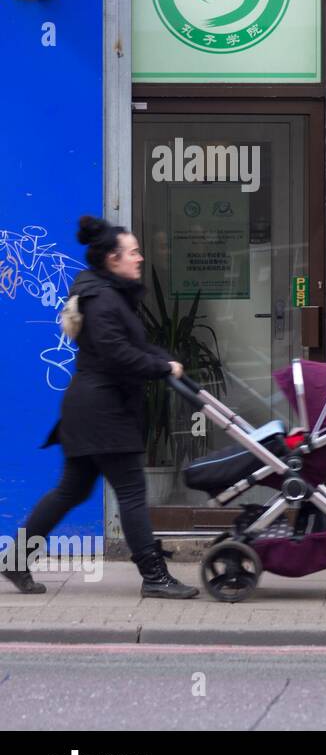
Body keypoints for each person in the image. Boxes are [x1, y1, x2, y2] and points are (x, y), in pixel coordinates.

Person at [1, 216, 198, 599]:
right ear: (112, 258)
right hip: (103, 411)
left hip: (90, 409)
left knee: (70, 491)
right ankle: (155, 576)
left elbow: (131, 347)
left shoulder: (105, 294)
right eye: (133, 252)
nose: (140, 258)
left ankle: (15, 560)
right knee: (131, 492)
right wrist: (160, 366)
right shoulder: (105, 299)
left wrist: (163, 359)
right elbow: (116, 353)